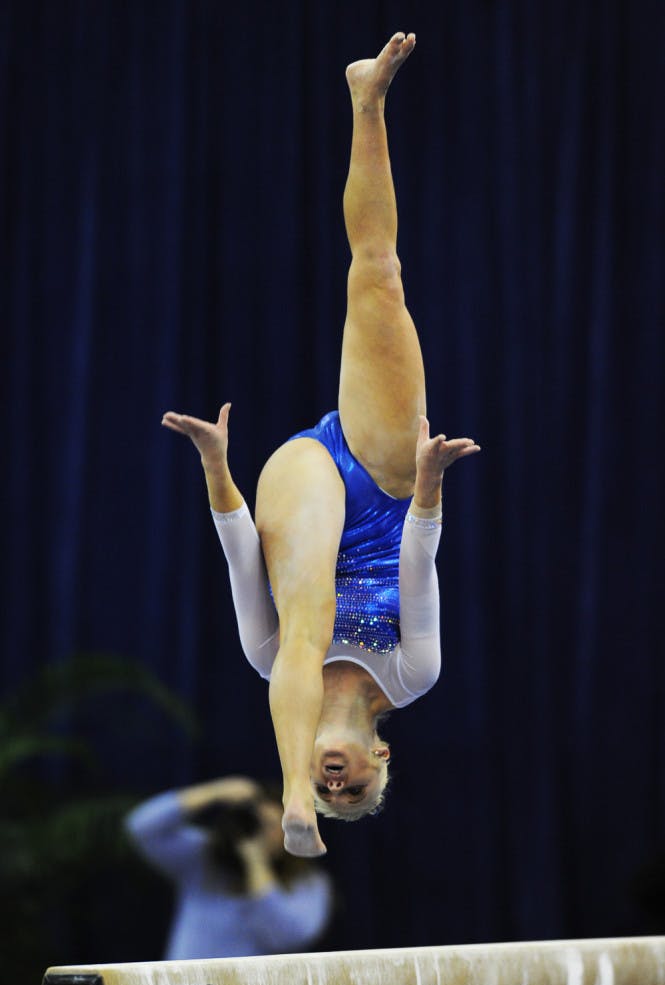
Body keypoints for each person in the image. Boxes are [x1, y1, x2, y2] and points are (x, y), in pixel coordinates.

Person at [162, 32, 480, 857]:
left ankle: (287, 802)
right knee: (378, 275)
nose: (345, 779)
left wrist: (214, 469)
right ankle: (365, 99)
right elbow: (418, 561)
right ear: (382, 756)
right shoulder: (414, 676)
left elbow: (240, 558)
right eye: (354, 787)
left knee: (303, 623)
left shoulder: (267, 661)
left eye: (326, 781)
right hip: (383, 486)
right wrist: (427, 482)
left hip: (299, 487)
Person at [124, 776, 333, 959]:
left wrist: (255, 863)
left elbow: (288, 937)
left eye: (268, 825)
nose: (258, 832)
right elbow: (142, 828)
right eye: (253, 823)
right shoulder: (203, 857)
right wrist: (214, 792)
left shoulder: (308, 882)